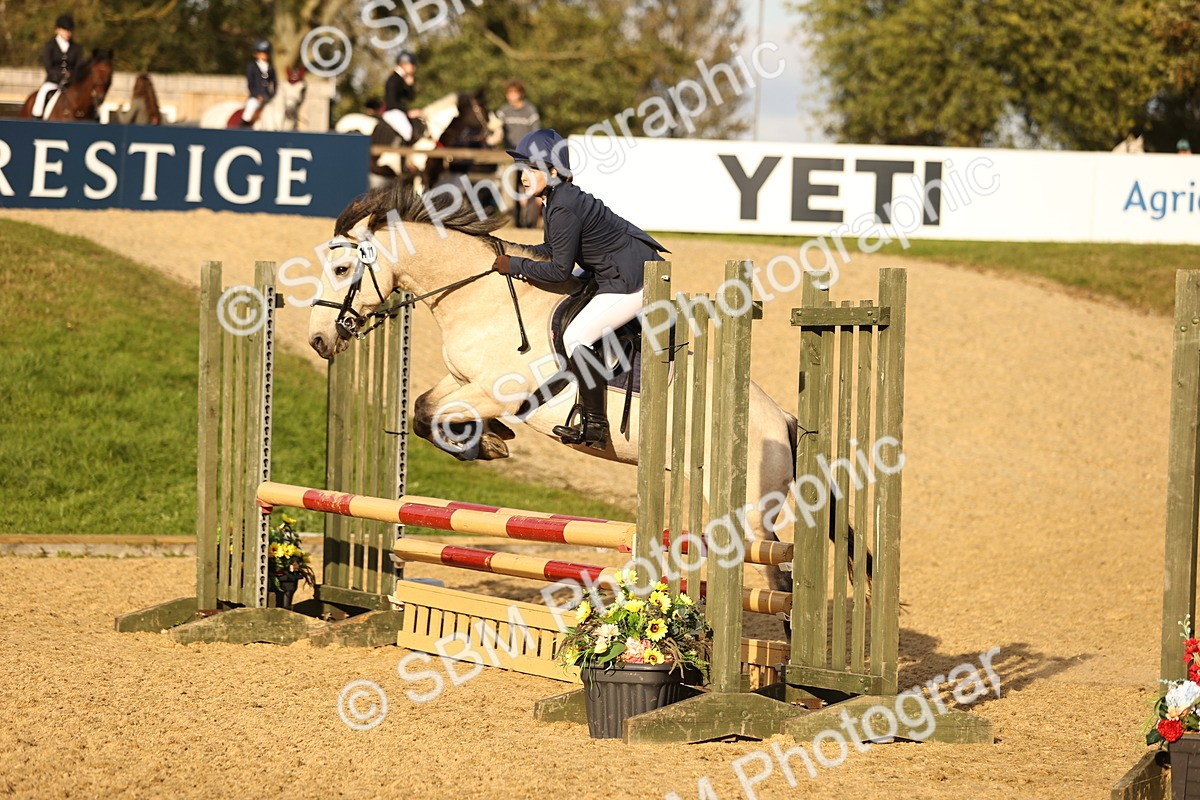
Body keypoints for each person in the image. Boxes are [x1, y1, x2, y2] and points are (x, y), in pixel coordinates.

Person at [491, 129, 669, 451]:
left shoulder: (563, 206)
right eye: (523, 169)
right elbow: (551, 249)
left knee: (576, 336)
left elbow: (560, 271)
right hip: (622, 272)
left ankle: (596, 426)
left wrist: (515, 267)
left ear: (554, 171)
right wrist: (513, 251)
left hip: (634, 280)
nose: (524, 176)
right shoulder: (557, 200)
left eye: (532, 168)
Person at [496, 79, 541, 227]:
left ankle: (528, 223)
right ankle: (510, 221)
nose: (511, 96)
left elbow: (536, 133)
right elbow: (496, 131)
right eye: (509, 93)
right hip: (508, 157)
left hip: (526, 157)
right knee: (509, 190)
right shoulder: (503, 111)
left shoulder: (530, 111)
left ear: (520, 94)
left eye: (514, 93)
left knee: (528, 190)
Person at [32, 13, 84, 118]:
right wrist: (62, 75)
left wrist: (71, 75)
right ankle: (36, 119)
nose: (68, 33)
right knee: (42, 96)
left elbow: (79, 66)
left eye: (70, 30)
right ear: (58, 30)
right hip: (53, 81)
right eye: (65, 30)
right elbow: (48, 67)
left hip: (71, 83)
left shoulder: (77, 48)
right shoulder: (49, 46)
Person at [382, 51, 424, 143]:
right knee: (407, 132)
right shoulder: (394, 79)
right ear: (404, 64)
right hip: (393, 112)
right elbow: (392, 102)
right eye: (412, 65)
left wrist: (410, 86)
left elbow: (410, 98)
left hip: (397, 112)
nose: (414, 68)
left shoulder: (401, 79)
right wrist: (407, 112)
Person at [241, 40, 277, 128]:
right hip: (255, 97)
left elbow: (274, 83)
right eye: (261, 53)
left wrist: (271, 95)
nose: (264, 55)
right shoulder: (252, 67)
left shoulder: (271, 68)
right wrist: (257, 95)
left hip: (268, 97)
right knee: (249, 111)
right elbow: (250, 84)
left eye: (265, 53)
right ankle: (243, 128)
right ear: (256, 54)